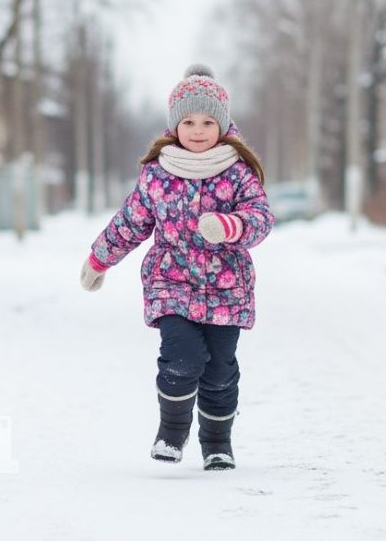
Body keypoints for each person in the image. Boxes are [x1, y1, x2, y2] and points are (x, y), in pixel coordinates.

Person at [79, 63, 274, 471]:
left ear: (222, 125)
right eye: (188, 122)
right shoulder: (157, 174)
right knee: (181, 357)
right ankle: (170, 433)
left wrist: (231, 225)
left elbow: (261, 218)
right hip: (171, 283)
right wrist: (99, 259)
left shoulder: (237, 172)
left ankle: (217, 443)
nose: (198, 130)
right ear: (174, 125)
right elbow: (130, 223)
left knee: (219, 370)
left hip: (226, 290)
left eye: (207, 122)